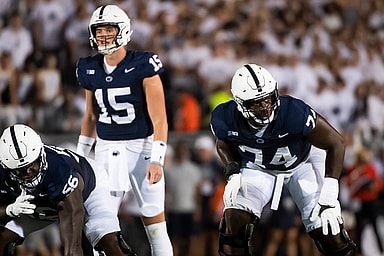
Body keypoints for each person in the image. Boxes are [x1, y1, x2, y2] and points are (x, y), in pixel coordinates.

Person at [210, 64, 357, 256]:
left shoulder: (294, 112)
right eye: (256, 102)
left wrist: (330, 193)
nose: (264, 107)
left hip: (303, 163)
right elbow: (224, 143)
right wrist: (232, 171)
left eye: (268, 98)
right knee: (234, 221)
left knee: (328, 230)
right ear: (240, 103)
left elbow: (336, 143)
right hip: (259, 167)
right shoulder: (225, 117)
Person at [75, 5, 173, 256]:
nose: (104, 35)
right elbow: (90, 116)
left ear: (124, 30)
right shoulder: (89, 68)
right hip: (106, 151)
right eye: (99, 30)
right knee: (100, 225)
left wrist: (157, 160)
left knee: (155, 224)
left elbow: (160, 118)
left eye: (109, 29)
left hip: (141, 148)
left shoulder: (142, 64)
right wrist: (81, 156)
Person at [0, 124, 137, 256]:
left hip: (87, 193)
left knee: (107, 239)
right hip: (33, 207)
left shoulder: (60, 171)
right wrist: (8, 210)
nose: (29, 172)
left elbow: (73, 246)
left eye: (33, 164)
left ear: (41, 154)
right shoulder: (2, 174)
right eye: (20, 170)